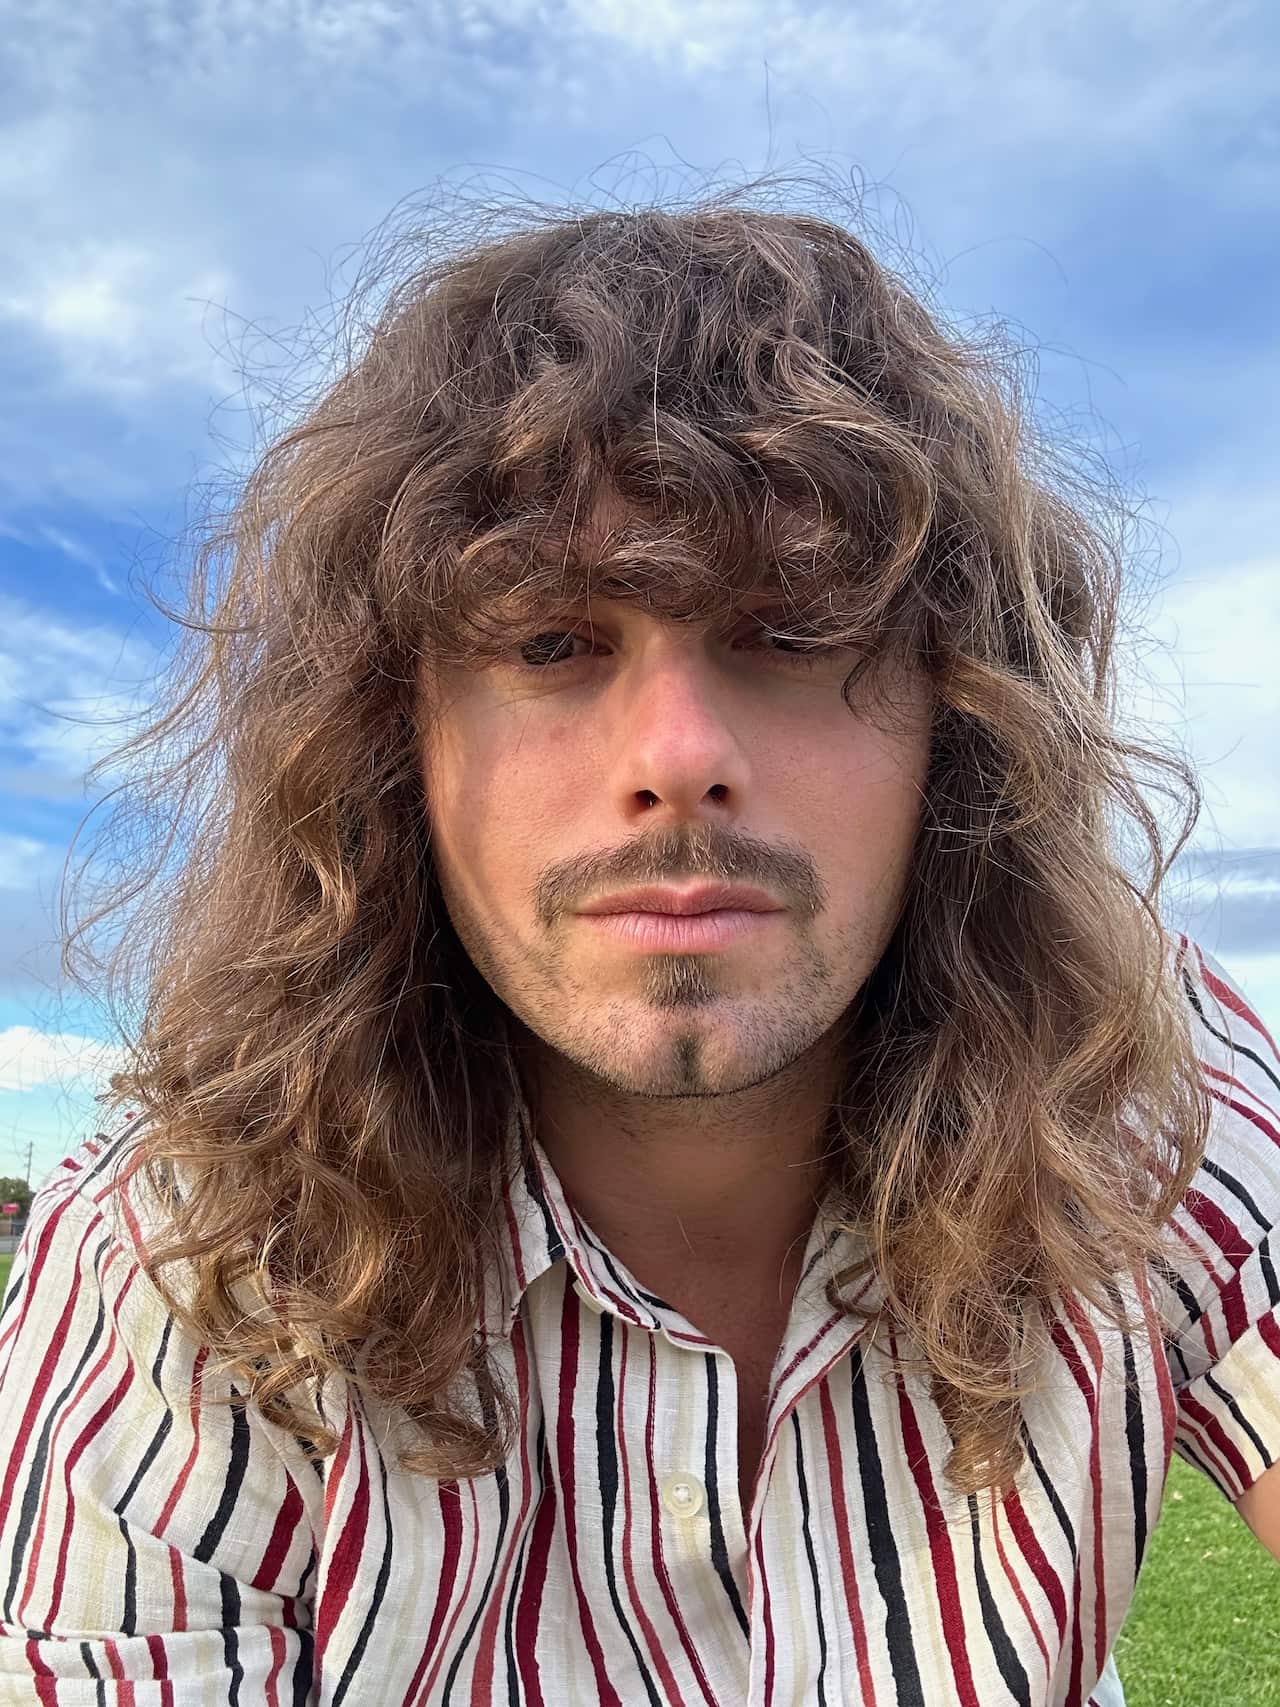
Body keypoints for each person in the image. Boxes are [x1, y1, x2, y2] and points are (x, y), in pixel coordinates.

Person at [1, 187, 1277, 1707]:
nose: (679, 753)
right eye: (548, 641)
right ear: (387, 744)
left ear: (958, 720)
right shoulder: (176, 1267)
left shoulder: (1140, 1084)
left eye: (795, 629)